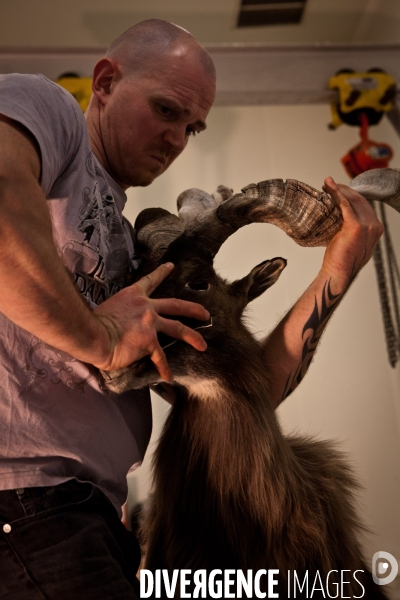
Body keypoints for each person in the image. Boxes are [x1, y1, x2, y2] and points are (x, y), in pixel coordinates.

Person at [0, 18, 382, 600]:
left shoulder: (129, 250)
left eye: (193, 127)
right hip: (26, 501)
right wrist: (102, 339)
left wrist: (339, 269)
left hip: (91, 514)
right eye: (165, 109)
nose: (178, 139)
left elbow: (238, 391)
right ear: (104, 82)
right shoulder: (49, 112)